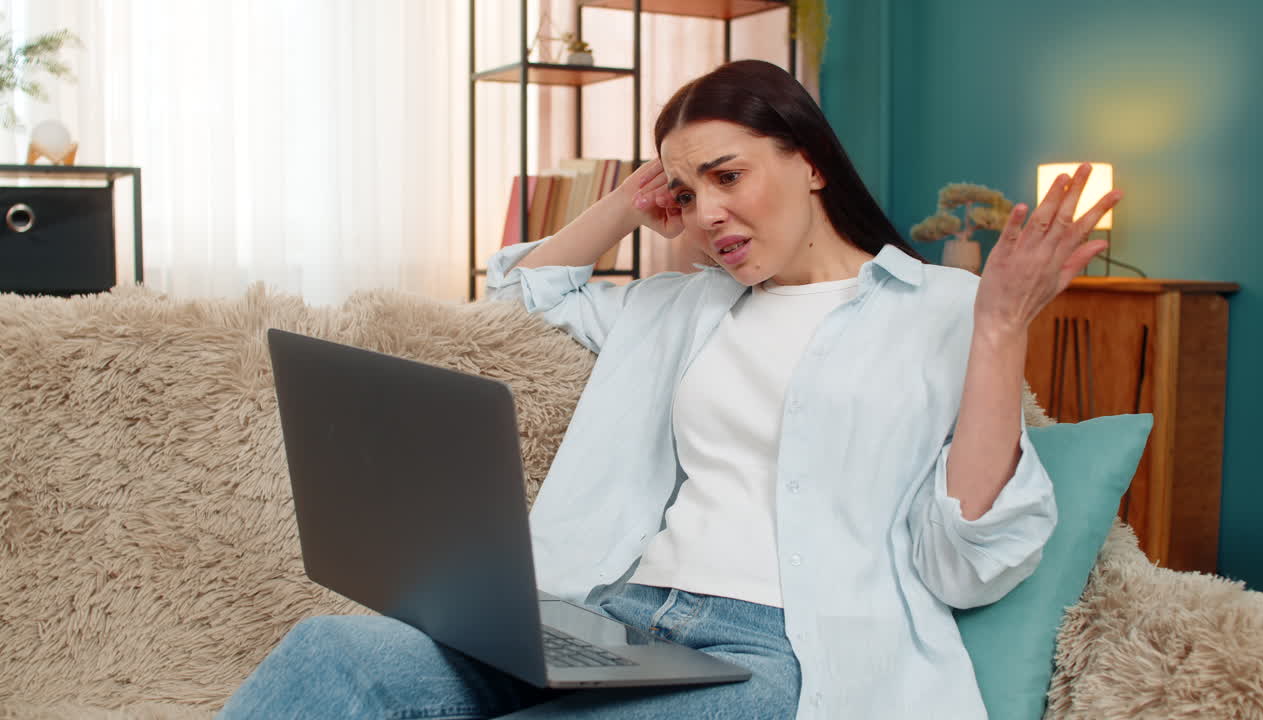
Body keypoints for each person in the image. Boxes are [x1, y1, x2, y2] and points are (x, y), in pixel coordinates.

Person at [218, 59, 1120, 719]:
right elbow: (522, 291)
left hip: (778, 654)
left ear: (809, 161)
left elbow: (969, 558)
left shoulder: (948, 309)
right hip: (615, 623)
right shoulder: (676, 308)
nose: (709, 212)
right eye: (689, 194)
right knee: (331, 651)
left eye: (728, 175)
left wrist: (1003, 327)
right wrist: (626, 203)